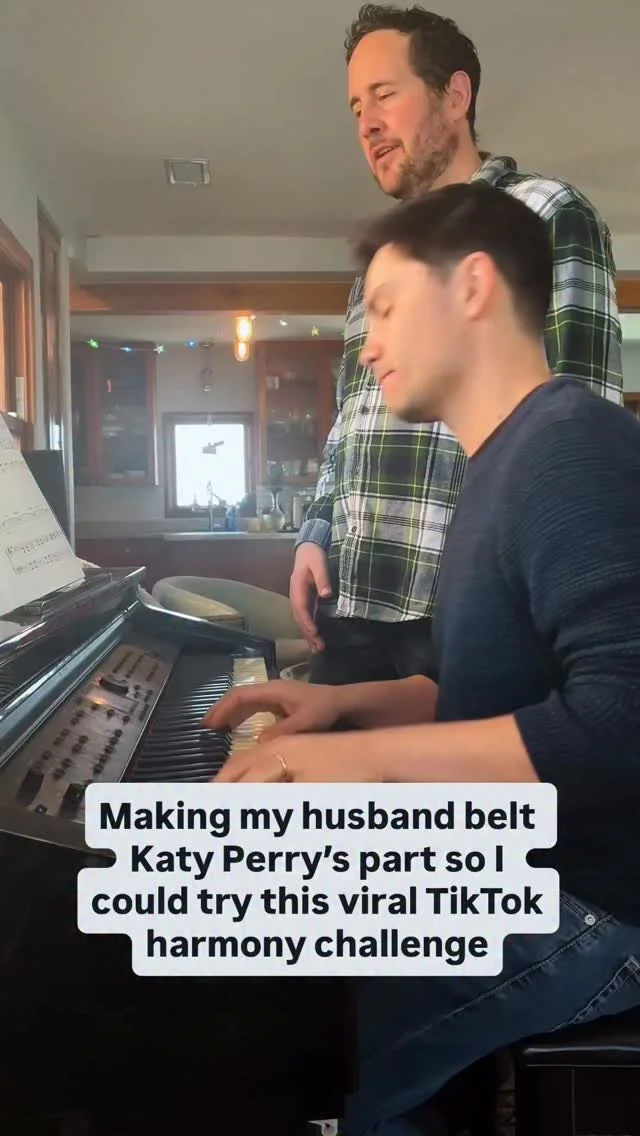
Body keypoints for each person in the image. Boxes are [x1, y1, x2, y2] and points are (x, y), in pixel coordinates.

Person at [204, 183, 640, 1135]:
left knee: (292, 1036)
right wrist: (344, 708)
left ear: (473, 286)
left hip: (599, 908)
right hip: (525, 862)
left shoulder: (570, 449)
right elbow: (477, 691)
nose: (367, 346)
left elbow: (620, 725)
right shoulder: (499, 461)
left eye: (388, 307)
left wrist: (350, 765)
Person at [290, 3, 623, 687]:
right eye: (356, 107)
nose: (366, 123)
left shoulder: (545, 212)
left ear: (455, 95)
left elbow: (581, 416)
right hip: (353, 593)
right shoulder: (382, 261)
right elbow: (350, 415)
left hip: (462, 603)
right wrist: (316, 531)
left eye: (384, 94)